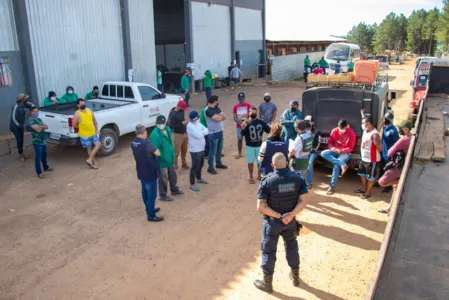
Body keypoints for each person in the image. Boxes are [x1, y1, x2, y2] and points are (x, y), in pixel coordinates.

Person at [254, 153, 308, 294]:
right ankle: (295, 278)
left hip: (272, 223)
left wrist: (279, 216)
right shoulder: (298, 179)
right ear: (287, 163)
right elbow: (304, 201)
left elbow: (260, 207)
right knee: (291, 247)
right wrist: (291, 215)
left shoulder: (267, 181)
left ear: (272, 165)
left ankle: (267, 284)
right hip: (290, 223)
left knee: (268, 251)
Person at [377, 120, 412, 213]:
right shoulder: (412, 138)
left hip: (398, 166)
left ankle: (401, 181)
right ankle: (390, 208)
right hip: (405, 165)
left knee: (382, 182)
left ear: (406, 129)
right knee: (395, 187)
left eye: (401, 128)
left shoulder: (404, 140)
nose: (399, 129)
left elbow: (389, 152)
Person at [131, 124, 164, 222]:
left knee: (145, 192)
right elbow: (158, 153)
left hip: (141, 171)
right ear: (144, 132)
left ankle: (149, 209)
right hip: (150, 172)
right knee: (151, 195)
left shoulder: (133, 143)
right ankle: (151, 215)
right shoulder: (147, 144)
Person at [150, 115, 184, 201]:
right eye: (159, 123)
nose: (161, 124)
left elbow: (170, 143)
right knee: (163, 179)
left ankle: (174, 189)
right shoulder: (155, 134)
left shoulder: (168, 130)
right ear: (156, 123)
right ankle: (163, 195)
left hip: (170, 159)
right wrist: (163, 157)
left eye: (162, 123)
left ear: (165, 122)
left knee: (173, 175)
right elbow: (155, 149)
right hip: (162, 161)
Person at [320, 119, 356, 195]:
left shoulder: (351, 133)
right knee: (323, 153)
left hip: (345, 153)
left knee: (336, 166)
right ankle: (342, 164)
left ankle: (331, 186)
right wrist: (333, 148)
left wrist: (341, 150)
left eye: (343, 129)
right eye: (340, 129)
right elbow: (330, 142)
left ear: (346, 126)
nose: (341, 130)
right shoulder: (334, 130)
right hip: (335, 150)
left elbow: (351, 147)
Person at [240, 107, 271, 184]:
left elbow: (268, 130)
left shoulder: (261, 121)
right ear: (248, 113)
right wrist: (243, 128)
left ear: (256, 112)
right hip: (250, 146)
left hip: (259, 145)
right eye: (251, 111)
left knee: (260, 161)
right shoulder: (246, 122)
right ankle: (251, 176)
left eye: (254, 111)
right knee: (250, 161)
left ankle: (259, 175)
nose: (252, 112)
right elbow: (242, 134)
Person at [355, 116, 383, 199]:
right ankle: (364, 188)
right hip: (364, 158)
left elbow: (380, 148)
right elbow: (364, 118)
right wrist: (362, 114)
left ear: (369, 124)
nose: (362, 125)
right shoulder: (365, 131)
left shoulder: (374, 135)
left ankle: (368, 192)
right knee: (362, 174)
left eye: (363, 123)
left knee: (371, 177)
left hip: (372, 160)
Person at [73, 99, 101, 169]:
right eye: (81, 104)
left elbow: (95, 121)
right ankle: (93, 163)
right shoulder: (77, 113)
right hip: (85, 135)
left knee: (98, 145)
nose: (83, 105)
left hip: (93, 133)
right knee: (89, 149)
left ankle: (89, 159)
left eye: (84, 103)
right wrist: (81, 126)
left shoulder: (89, 110)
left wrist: (97, 129)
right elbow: (74, 125)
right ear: (78, 105)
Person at [27, 107, 54, 178]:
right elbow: (38, 130)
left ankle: (46, 167)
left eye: (37, 111)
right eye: (35, 112)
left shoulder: (39, 120)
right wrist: (42, 126)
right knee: (38, 157)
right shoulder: (31, 121)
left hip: (43, 140)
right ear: (31, 112)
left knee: (44, 155)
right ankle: (39, 172)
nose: (37, 113)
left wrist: (40, 126)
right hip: (37, 141)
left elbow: (47, 126)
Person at [186, 111, 209, 192]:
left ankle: (199, 178)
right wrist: (202, 132)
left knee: (201, 164)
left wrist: (202, 132)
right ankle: (192, 183)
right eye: (194, 119)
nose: (195, 120)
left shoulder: (198, 123)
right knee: (195, 166)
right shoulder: (190, 126)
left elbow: (207, 130)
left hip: (201, 148)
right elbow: (199, 136)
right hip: (195, 150)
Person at [204, 95, 228, 175]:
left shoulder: (216, 108)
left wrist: (220, 117)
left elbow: (225, 117)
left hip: (220, 131)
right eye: (217, 101)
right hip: (213, 132)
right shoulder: (207, 110)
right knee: (212, 151)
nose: (218, 102)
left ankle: (218, 163)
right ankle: (210, 167)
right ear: (214, 101)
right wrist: (220, 117)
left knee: (219, 149)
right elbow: (217, 119)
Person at [10, 93, 34, 161]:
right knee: (19, 139)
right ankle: (21, 154)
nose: (26, 99)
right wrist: (18, 125)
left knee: (22, 139)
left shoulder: (24, 104)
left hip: (20, 125)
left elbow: (32, 105)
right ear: (22, 100)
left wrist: (32, 109)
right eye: (25, 98)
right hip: (15, 126)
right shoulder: (16, 106)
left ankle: (22, 153)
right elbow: (13, 117)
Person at [168, 100, 189, 170]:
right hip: (177, 134)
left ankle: (184, 163)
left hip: (184, 133)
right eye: (183, 108)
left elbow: (183, 120)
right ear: (179, 106)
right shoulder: (172, 114)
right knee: (176, 152)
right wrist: (181, 124)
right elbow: (171, 126)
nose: (184, 109)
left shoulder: (181, 111)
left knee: (184, 150)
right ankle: (175, 165)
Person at [233, 92, 252, 159]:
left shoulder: (249, 105)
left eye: (242, 98)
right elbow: (234, 117)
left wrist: (246, 122)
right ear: (238, 98)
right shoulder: (236, 106)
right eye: (240, 98)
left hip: (247, 125)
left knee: (248, 139)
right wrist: (240, 123)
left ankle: (249, 152)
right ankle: (240, 152)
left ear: (244, 98)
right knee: (240, 139)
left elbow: (251, 115)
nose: (241, 99)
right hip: (239, 126)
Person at [304, 116, 321, 189]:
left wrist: (311, 150)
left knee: (310, 163)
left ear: (312, 122)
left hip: (312, 152)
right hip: (303, 151)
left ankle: (308, 182)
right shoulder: (302, 130)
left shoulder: (316, 132)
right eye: (306, 121)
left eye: (308, 121)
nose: (307, 122)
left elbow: (318, 144)